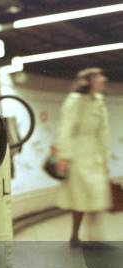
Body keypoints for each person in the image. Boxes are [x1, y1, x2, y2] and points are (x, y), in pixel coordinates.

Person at [55, 68, 111, 245]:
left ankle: (94, 236)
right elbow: (65, 128)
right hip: (77, 154)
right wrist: (64, 157)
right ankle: (74, 235)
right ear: (88, 81)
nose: (103, 79)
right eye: (98, 76)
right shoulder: (74, 101)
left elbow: (103, 131)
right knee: (80, 198)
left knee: (97, 195)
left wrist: (104, 157)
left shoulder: (99, 101)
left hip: (93, 154)